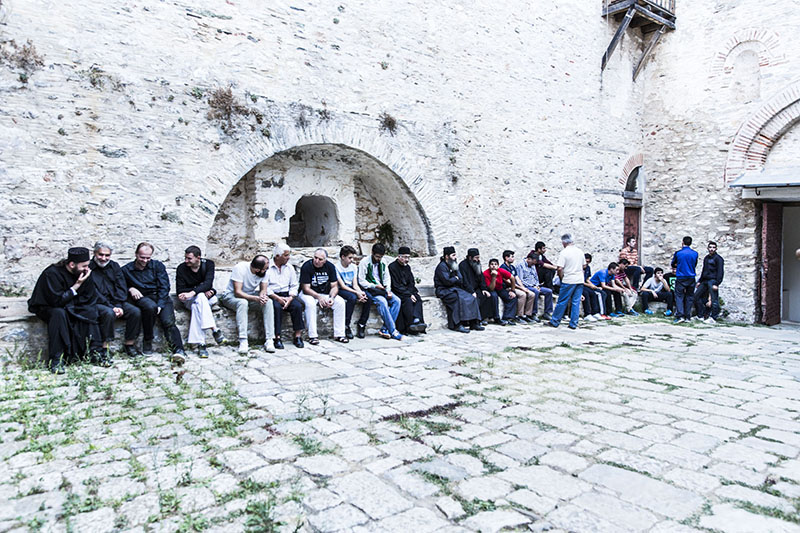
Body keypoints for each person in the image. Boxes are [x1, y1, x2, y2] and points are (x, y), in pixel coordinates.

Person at [28, 247, 105, 373]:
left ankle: (94, 352)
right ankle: (57, 359)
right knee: (59, 314)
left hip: (72, 305)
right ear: (72, 264)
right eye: (84, 266)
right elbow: (56, 301)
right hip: (48, 306)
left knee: (90, 311)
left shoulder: (84, 272)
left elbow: (89, 296)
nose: (87, 269)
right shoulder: (52, 273)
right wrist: (77, 285)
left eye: (88, 265)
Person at [122, 243, 186, 364]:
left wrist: (161, 305)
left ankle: (178, 350)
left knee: (168, 321)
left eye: (148, 257)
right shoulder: (126, 270)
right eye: (142, 257)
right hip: (142, 297)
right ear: (136, 255)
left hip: (160, 297)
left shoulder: (158, 266)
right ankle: (147, 341)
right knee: (149, 307)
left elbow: (164, 286)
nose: (145, 260)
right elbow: (119, 287)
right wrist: (130, 288)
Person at [90, 241, 143, 358]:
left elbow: (121, 287)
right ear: (94, 253)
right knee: (108, 313)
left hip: (116, 302)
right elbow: (93, 293)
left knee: (135, 312)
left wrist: (118, 305)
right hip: (97, 303)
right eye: (100, 255)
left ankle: (129, 344)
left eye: (107, 255)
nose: (104, 258)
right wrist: (112, 307)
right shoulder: (88, 268)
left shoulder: (114, 266)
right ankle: (104, 348)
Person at [176, 246, 225, 358]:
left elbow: (208, 283)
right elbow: (180, 289)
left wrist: (194, 291)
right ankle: (214, 330)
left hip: (207, 299)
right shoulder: (181, 268)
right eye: (186, 258)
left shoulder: (208, 265)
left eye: (189, 259)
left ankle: (201, 344)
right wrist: (193, 292)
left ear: (198, 258)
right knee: (199, 300)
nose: (186, 261)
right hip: (190, 300)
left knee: (199, 301)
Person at [219, 255, 275, 353]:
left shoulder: (265, 272)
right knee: (242, 303)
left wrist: (262, 297)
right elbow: (238, 292)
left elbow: (263, 290)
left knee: (268, 302)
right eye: (265, 268)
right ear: (257, 270)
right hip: (231, 296)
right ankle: (243, 340)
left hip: (250, 296)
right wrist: (255, 298)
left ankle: (269, 340)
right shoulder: (240, 268)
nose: (267, 269)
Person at [299, 248, 348, 344]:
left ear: (325, 260)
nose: (316, 261)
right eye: (315, 258)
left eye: (320, 259)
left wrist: (332, 298)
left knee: (340, 302)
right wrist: (318, 297)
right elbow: (306, 288)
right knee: (310, 304)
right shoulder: (307, 266)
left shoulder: (330, 267)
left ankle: (339, 334)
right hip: (308, 294)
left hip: (324, 293)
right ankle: (312, 336)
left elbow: (334, 286)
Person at [357, 243, 402, 340]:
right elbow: (361, 281)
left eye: (380, 257)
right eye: (377, 256)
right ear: (372, 253)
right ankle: (393, 330)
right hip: (372, 290)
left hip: (383, 290)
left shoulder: (383, 262)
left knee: (397, 301)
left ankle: (385, 329)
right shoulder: (364, 262)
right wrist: (374, 285)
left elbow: (387, 278)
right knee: (383, 302)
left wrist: (388, 290)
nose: (378, 259)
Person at [434, 246, 483, 333]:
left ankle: (473, 322)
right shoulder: (441, 267)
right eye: (453, 255)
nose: (455, 257)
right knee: (457, 298)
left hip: (454, 288)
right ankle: (456, 325)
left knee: (471, 297)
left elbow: (460, 278)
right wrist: (455, 279)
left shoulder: (453, 265)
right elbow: (447, 281)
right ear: (447, 256)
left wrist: (455, 279)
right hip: (443, 290)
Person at [267, 243, 306, 348]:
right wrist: (276, 298)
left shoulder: (289, 268)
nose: (288, 258)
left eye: (288, 255)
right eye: (286, 255)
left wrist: (290, 297)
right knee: (276, 307)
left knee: (297, 306)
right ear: (277, 256)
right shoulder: (268, 267)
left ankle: (297, 335)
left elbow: (294, 285)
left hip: (287, 294)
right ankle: (277, 337)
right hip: (273, 295)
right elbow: (265, 286)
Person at [548, 234, 586, 329]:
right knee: (576, 302)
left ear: (564, 242)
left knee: (562, 301)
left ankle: (555, 320)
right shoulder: (580, 251)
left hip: (568, 279)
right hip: (579, 279)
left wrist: (561, 278)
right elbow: (584, 265)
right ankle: (573, 323)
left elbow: (560, 268)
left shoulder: (564, 252)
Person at [388, 246, 426, 335]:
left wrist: (411, 293)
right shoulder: (392, 267)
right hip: (398, 292)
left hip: (408, 291)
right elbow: (395, 285)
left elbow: (411, 282)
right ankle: (409, 326)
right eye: (405, 257)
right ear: (399, 257)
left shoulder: (407, 267)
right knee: (408, 301)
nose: (407, 259)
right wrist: (409, 294)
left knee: (417, 298)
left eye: (408, 257)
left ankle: (417, 321)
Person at [335, 245, 369, 339]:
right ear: (343, 257)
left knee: (367, 297)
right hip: (341, 289)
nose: (352, 260)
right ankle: (346, 325)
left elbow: (355, 284)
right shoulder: (336, 268)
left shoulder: (353, 267)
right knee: (352, 298)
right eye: (350, 258)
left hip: (352, 288)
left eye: (352, 258)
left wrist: (360, 292)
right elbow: (342, 286)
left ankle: (362, 324)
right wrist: (356, 293)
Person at [458, 248, 493, 325]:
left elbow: (481, 277)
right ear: (470, 257)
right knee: (474, 298)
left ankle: (483, 318)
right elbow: (464, 281)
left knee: (486, 295)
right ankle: (474, 320)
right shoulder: (462, 265)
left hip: (476, 288)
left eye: (478, 257)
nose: (478, 260)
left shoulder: (477, 264)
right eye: (476, 258)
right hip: (466, 289)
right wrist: (471, 291)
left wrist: (484, 288)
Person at [518, 252, 554, 322]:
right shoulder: (520, 265)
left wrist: (537, 285)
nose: (533, 265)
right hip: (526, 286)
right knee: (535, 292)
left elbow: (535, 277)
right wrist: (533, 286)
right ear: (529, 259)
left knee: (549, 291)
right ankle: (533, 313)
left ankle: (547, 312)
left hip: (534, 285)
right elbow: (520, 280)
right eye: (532, 263)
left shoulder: (533, 265)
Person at [694, 241, 724, 323]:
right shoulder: (706, 258)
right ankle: (701, 315)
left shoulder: (719, 259)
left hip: (713, 280)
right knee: (696, 296)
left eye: (714, 247)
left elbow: (720, 272)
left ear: (716, 249)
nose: (712, 249)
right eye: (710, 247)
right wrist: (700, 281)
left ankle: (713, 317)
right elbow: (704, 270)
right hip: (705, 280)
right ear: (707, 248)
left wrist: (717, 283)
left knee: (714, 300)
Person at [671, 236, 699, 324]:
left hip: (681, 276)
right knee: (689, 297)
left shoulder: (678, 253)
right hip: (691, 277)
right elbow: (695, 264)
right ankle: (688, 316)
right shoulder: (695, 253)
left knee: (679, 296)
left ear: (682, 242)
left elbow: (673, 264)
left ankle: (680, 315)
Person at [500, 250, 533, 323]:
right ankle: (519, 315)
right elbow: (508, 282)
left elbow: (517, 278)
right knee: (522, 294)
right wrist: (521, 289)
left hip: (515, 286)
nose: (513, 258)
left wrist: (523, 287)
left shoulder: (512, 267)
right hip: (508, 287)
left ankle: (527, 314)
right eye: (512, 257)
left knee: (531, 294)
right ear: (506, 258)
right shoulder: (503, 268)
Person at [483, 258, 517, 325]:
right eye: (491, 264)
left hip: (500, 288)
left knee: (512, 297)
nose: (493, 266)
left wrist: (512, 290)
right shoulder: (485, 273)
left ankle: (507, 317)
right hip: (491, 289)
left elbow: (512, 278)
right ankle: (496, 318)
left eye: (495, 264)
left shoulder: (501, 271)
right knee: (494, 297)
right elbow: (491, 288)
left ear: (498, 266)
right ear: (489, 266)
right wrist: (493, 277)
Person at [582, 254, 606, 321]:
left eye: (588, 262)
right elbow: (580, 280)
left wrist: (594, 286)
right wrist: (589, 285)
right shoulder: (578, 267)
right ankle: (587, 314)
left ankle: (595, 312)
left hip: (585, 284)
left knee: (593, 293)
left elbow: (587, 279)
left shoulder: (588, 268)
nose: (586, 263)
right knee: (586, 293)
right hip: (579, 284)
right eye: (585, 261)